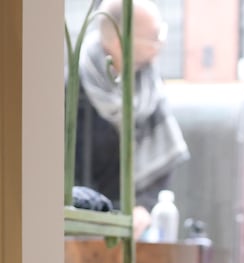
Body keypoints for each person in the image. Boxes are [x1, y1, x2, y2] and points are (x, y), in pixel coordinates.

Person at [73, 0, 189, 238]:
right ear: (119, 42)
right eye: (153, 38)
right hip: (81, 230)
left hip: (134, 230)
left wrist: (144, 207)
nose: (161, 45)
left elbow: (161, 162)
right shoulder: (72, 90)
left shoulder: (150, 85)